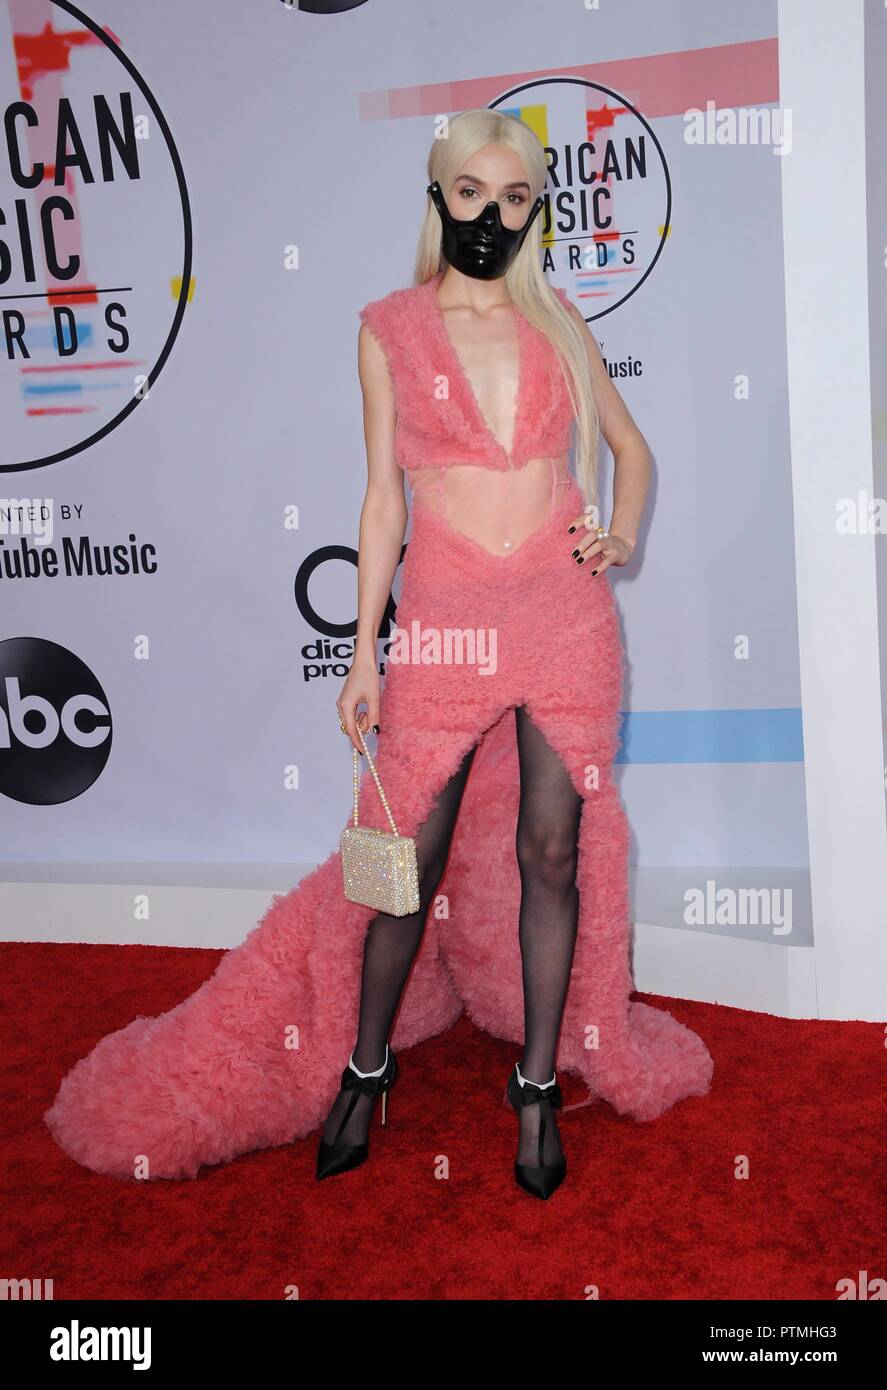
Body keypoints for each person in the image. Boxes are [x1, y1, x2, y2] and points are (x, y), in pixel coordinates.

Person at [44, 110, 713, 1200]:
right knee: (400, 858)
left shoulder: (558, 325)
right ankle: (364, 1062)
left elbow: (631, 452)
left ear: (531, 210)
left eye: (512, 199)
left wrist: (620, 531)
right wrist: (362, 651)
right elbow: (379, 499)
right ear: (437, 195)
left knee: (554, 851)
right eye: (469, 194)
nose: (489, 216)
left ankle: (537, 1081)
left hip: (560, 613)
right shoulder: (389, 327)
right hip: (443, 622)